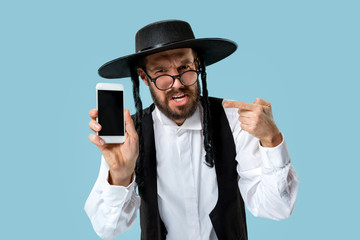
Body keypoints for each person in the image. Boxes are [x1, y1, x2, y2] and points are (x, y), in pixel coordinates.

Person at [85, 20, 299, 240]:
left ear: (198, 64)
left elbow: (277, 208)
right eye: (161, 72)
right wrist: (120, 175)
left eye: (184, 68)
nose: (177, 84)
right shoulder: (129, 136)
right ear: (144, 77)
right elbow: (107, 229)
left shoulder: (236, 122)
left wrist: (272, 140)